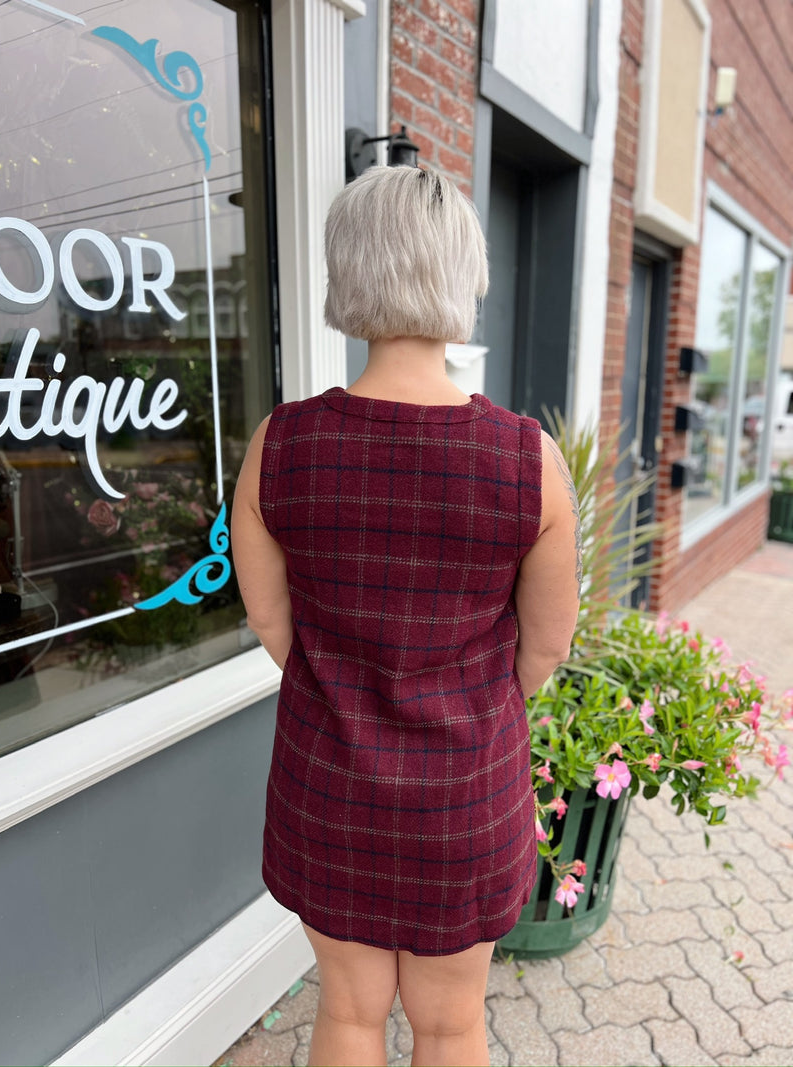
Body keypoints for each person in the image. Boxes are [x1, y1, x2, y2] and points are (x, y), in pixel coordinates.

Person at [231, 165, 581, 1067]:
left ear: (348, 271)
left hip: (328, 781)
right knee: (452, 1022)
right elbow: (543, 646)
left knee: (348, 1013)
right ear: (460, 272)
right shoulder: (525, 459)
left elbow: (276, 627)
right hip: (466, 796)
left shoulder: (282, 442)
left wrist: (347, 696)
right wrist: (460, 711)